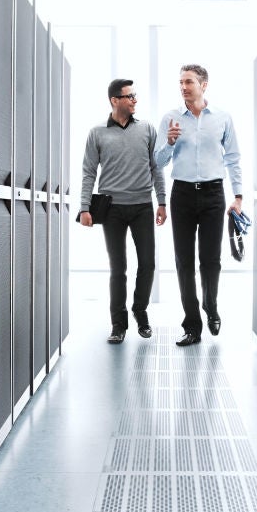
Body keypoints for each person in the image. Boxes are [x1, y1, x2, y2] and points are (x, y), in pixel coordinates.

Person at [155, 63, 244, 347]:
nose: (183, 87)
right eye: (181, 82)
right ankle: (192, 325)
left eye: (189, 82)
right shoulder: (170, 118)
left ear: (203, 85)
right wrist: (169, 143)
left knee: (211, 259)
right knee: (184, 262)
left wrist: (238, 196)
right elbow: (158, 161)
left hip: (213, 195)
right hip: (181, 194)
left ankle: (211, 305)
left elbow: (233, 158)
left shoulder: (222, 118)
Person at [79, 78, 167, 343]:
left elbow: (156, 168)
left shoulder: (147, 129)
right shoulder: (97, 133)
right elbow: (88, 172)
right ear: (114, 100)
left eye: (135, 95)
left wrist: (162, 202)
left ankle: (140, 310)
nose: (134, 100)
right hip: (112, 209)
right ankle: (118, 324)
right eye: (129, 96)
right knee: (118, 269)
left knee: (148, 264)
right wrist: (84, 208)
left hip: (142, 207)